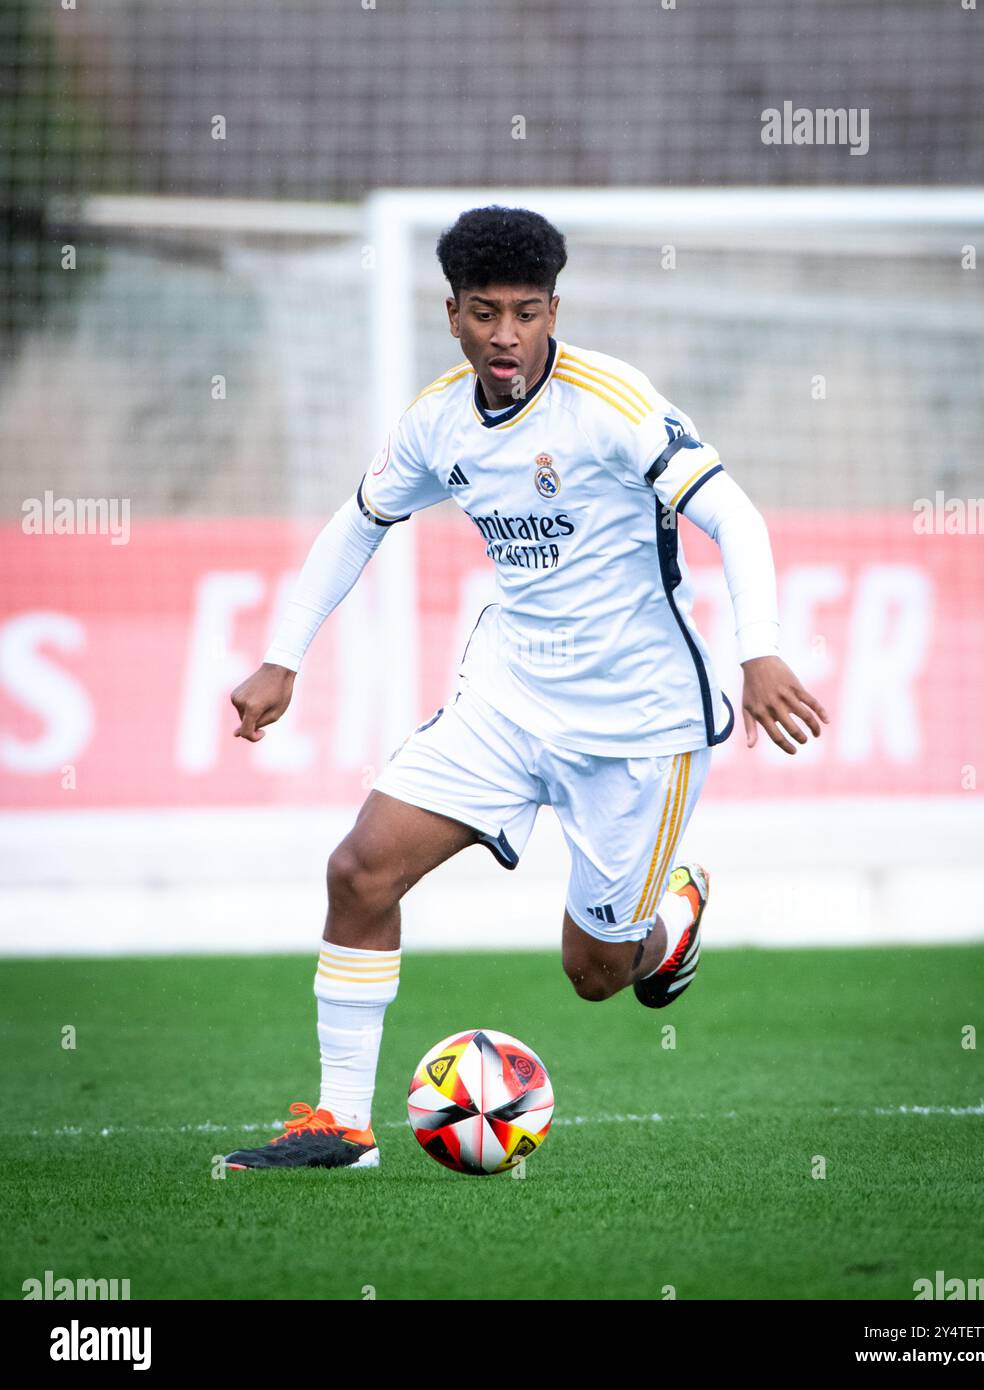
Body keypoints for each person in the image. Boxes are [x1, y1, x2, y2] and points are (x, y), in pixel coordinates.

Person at [224, 205, 827, 1171]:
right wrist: (282, 656)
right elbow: (358, 522)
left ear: (555, 309)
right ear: (451, 312)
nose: (506, 336)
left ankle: (666, 921)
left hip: (640, 724)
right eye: (484, 313)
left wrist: (760, 650)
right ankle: (340, 1128)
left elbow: (737, 517)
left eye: (528, 312)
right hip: (506, 701)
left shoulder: (613, 404)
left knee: (595, 976)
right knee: (359, 871)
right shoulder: (434, 421)